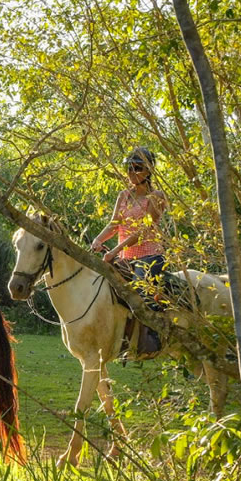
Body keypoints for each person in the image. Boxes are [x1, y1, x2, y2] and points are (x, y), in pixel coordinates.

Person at [91, 147, 168, 351]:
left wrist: (114, 251)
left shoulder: (156, 196)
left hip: (149, 256)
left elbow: (143, 231)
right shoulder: (123, 195)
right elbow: (114, 224)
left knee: (142, 294)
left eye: (137, 168)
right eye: (129, 168)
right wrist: (97, 240)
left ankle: (153, 338)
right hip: (125, 258)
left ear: (148, 171)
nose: (132, 172)